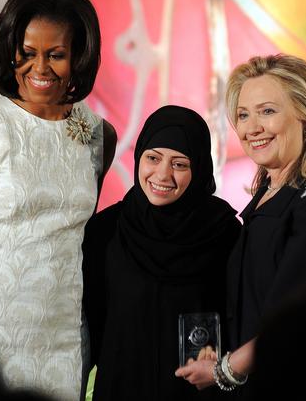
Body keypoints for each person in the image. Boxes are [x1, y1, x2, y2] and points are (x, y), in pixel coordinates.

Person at [0, 0, 117, 401]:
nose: (39, 68)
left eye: (55, 54)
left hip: (64, 334)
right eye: (26, 52)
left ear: (79, 56)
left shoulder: (100, 135)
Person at [82, 104, 241, 401]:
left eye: (180, 164)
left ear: (199, 168)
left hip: (198, 389)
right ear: (139, 156)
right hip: (122, 385)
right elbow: (90, 322)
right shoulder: (106, 230)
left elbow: (240, 316)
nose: (163, 174)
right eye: (153, 158)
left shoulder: (224, 233)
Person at [175, 54, 306, 398]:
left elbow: (296, 317)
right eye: (243, 115)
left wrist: (225, 370)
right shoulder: (268, 191)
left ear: (304, 115)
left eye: (267, 111)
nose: (252, 128)